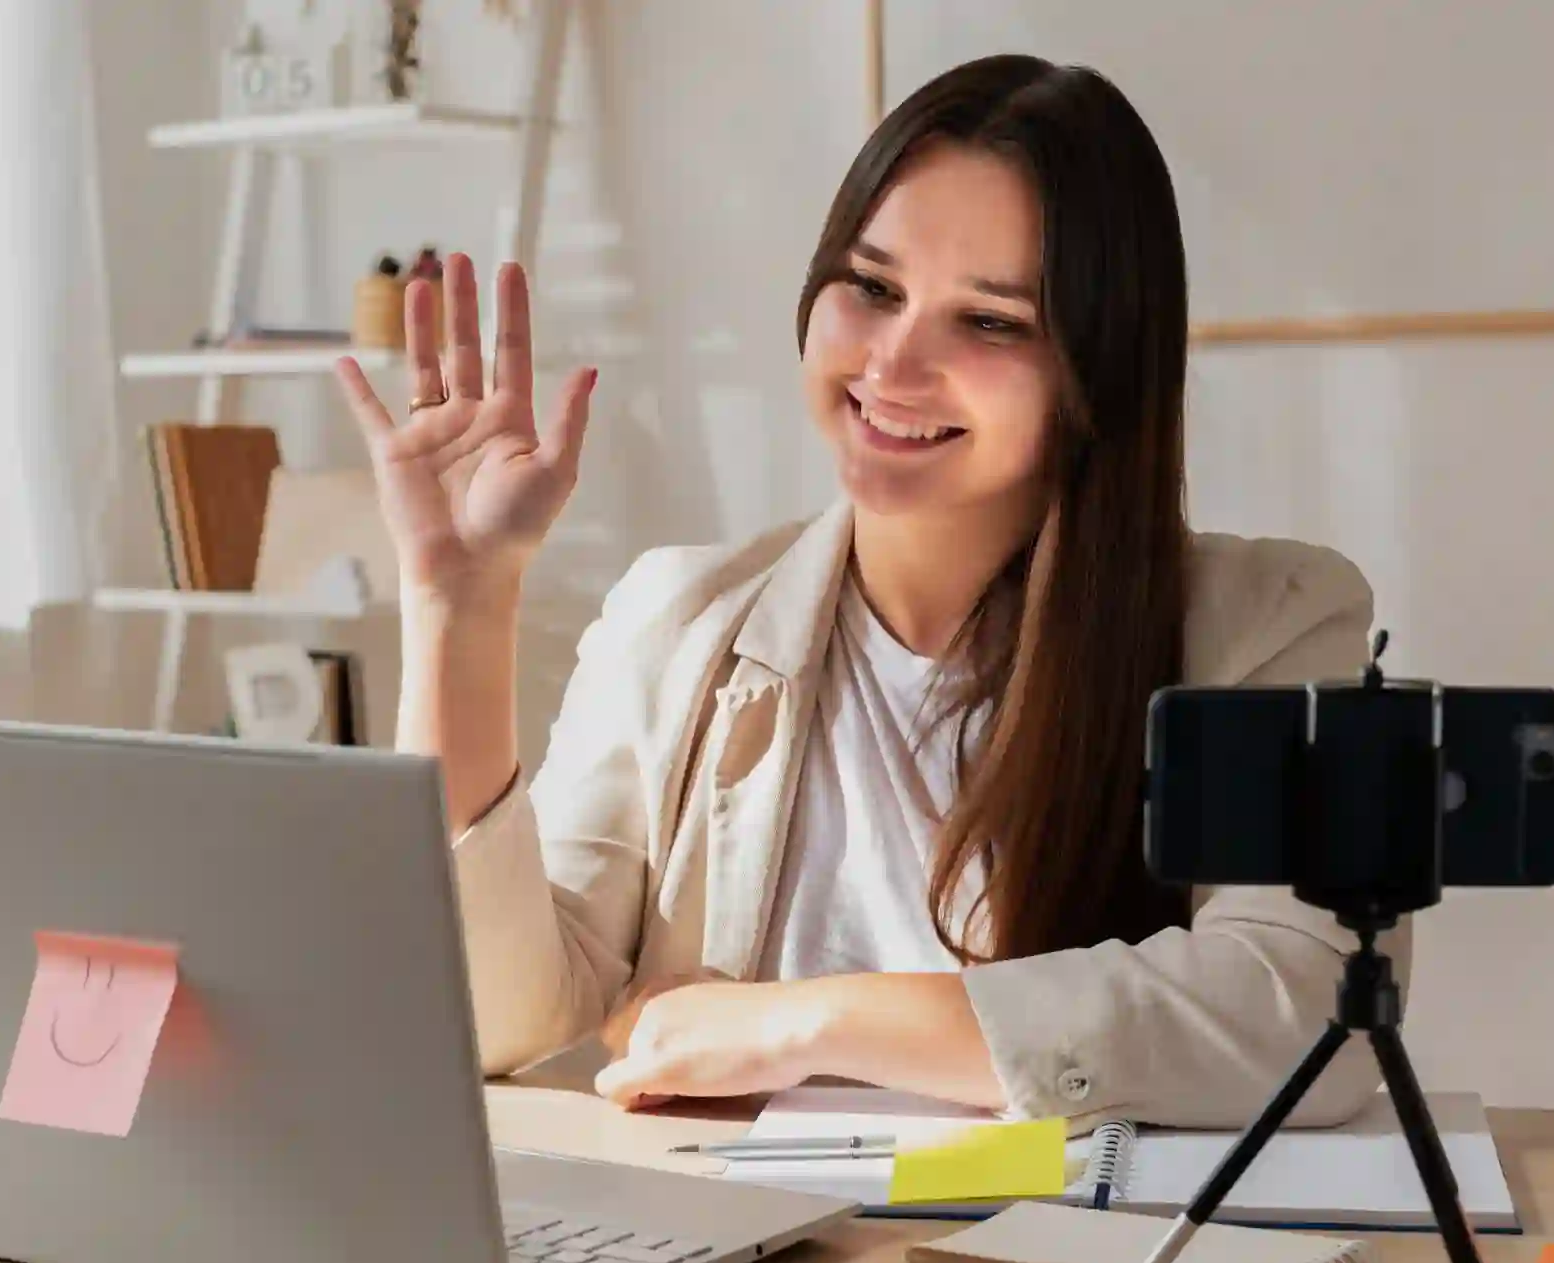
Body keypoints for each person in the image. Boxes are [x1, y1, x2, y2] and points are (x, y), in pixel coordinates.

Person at [332, 54, 1402, 1131]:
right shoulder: (677, 617)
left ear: (1096, 375)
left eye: (987, 321)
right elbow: (487, 1017)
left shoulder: (1269, 625)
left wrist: (803, 1022)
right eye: (873, 288)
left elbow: (1308, 1010)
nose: (891, 362)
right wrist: (456, 605)